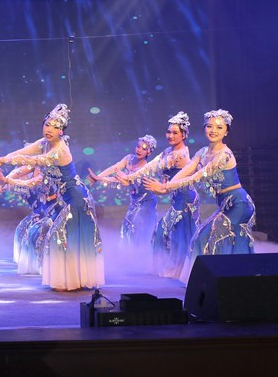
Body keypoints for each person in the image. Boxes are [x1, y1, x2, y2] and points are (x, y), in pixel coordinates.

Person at [0, 104, 104, 291]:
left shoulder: (60, 150)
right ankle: (71, 280)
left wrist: (2, 160)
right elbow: (23, 153)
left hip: (77, 200)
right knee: (64, 240)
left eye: (56, 127)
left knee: (58, 237)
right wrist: (0, 158)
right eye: (47, 124)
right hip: (66, 200)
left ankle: (70, 281)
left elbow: (34, 160)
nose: (49, 129)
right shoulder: (43, 143)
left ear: (62, 131)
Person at [143, 109, 256, 281]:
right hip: (225, 206)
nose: (213, 130)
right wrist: (166, 188)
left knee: (206, 239)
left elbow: (196, 177)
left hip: (239, 205)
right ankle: (213, 282)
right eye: (209, 126)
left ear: (226, 131)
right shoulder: (202, 152)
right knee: (199, 239)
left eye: (219, 127)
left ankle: (222, 281)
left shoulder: (224, 155)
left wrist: (165, 187)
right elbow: (185, 173)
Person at [115, 112, 199, 278]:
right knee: (167, 233)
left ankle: (179, 270)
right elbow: (151, 165)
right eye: (168, 132)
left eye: (175, 133)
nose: (170, 135)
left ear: (184, 135)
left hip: (186, 198)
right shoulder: (169, 150)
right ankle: (169, 269)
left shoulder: (180, 154)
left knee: (172, 233)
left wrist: (162, 188)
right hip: (177, 198)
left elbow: (156, 168)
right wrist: (130, 177)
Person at [88, 135, 159, 251]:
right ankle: (129, 254)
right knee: (127, 226)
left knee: (135, 227)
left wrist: (100, 179)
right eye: (138, 146)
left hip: (146, 203)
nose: (139, 150)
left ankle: (138, 254)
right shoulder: (129, 159)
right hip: (135, 202)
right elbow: (114, 168)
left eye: (144, 148)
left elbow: (120, 180)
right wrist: (98, 177)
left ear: (149, 152)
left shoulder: (145, 169)